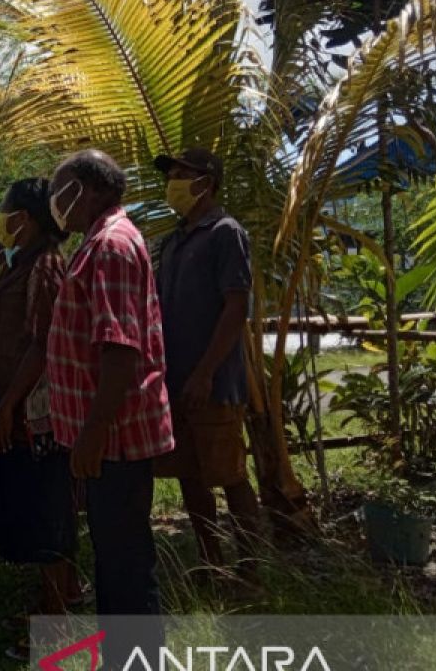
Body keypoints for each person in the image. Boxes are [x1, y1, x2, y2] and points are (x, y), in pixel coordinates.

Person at [47, 150, 173, 666]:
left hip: (115, 440)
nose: (54, 201)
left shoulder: (112, 246)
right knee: (115, 560)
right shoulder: (95, 244)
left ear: (87, 188)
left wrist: (92, 435)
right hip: (105, 440)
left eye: (60, 188)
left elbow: (120, 351)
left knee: (124, 564)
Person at [153, 147, 263, 578]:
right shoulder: (174, 240)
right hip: (176, 380)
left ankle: (251, 571)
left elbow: (235, 308)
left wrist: (205, 372)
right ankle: (210, 562)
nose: (174, 181)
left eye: (183, 174)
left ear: (207, 182)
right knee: (189, 475)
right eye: (172, 174)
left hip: (214, 382)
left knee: (229, 473)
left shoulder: (225, 232)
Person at [0, 178, 77, 662]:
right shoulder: (23, 264)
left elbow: (43, 343)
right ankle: (47, 603)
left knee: (48, 516)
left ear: (27, 217)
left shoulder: (46, 267)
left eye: (5, 212)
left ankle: (58, 620)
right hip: (17, 414)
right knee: (35, 515)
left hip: (36, 418)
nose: (0, 221)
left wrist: (8, 405)